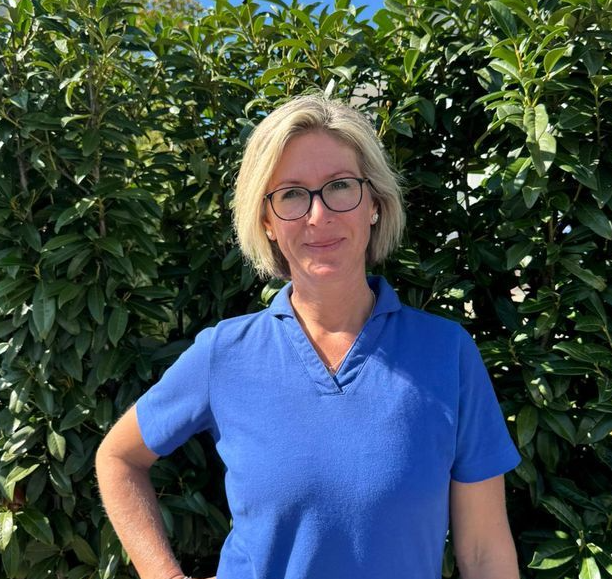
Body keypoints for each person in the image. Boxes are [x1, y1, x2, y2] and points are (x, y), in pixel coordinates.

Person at [96, 94, 522, 579]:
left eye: (340, 186)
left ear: (375, 203)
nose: (318, 215)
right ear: (267, 221)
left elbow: (484, 553)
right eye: (292, 194)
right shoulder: (225, 354)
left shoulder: (446, 354)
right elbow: (118, 457)